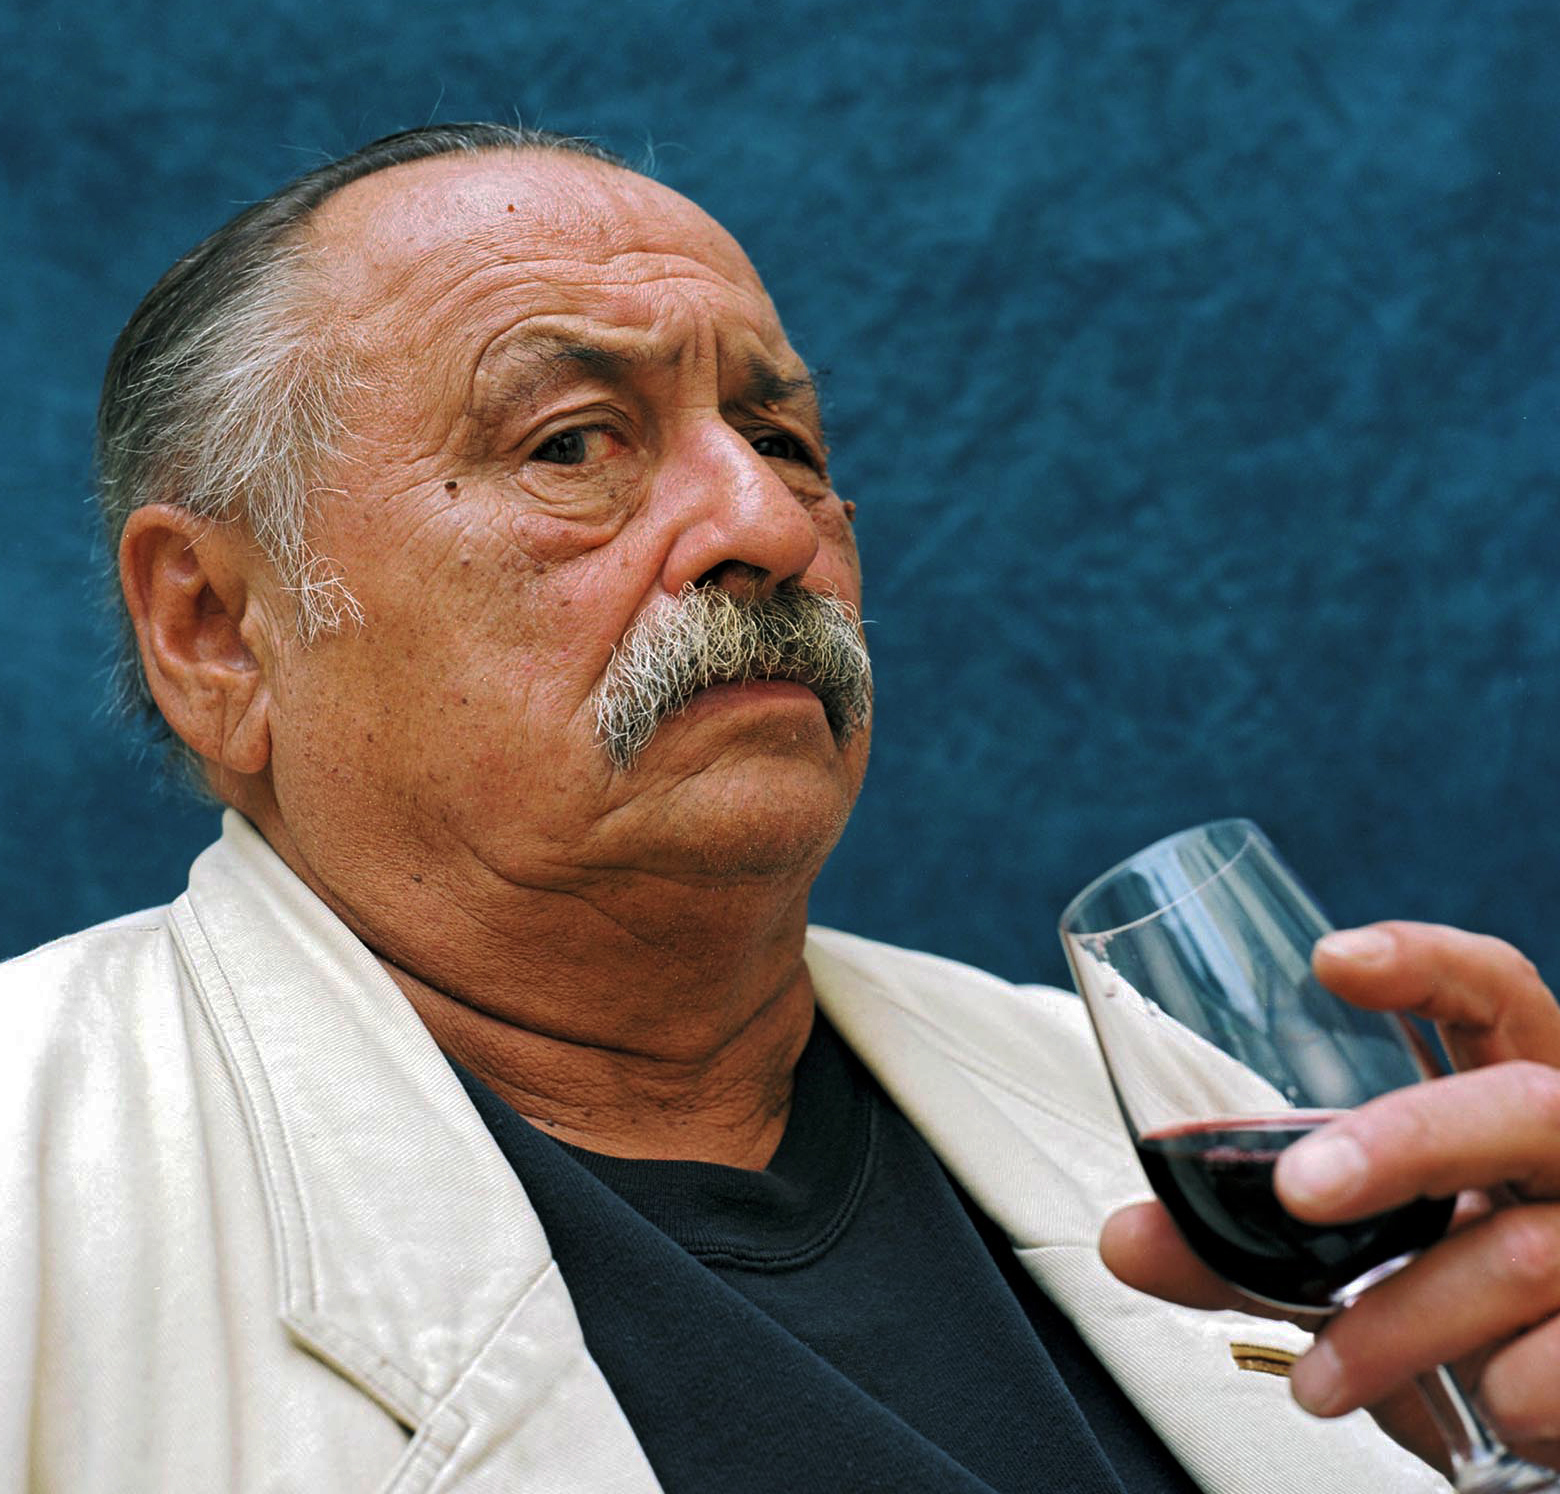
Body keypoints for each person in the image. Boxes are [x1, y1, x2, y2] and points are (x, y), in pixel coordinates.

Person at [4, 123, 1557, 1493]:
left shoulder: (1148, 1099)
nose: (765, 524)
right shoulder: (36, 1180)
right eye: (569, 443)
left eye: (781, 443)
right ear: (216, 630)